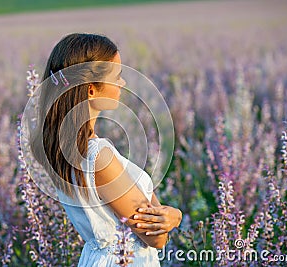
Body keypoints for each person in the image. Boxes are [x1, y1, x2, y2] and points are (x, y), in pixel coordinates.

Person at [30, 33, 182, 266]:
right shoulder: (98, 157)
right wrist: (175, 217)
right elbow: (156, 238)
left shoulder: (62, 148)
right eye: (117, 76)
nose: (123, 83)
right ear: (91, 90)